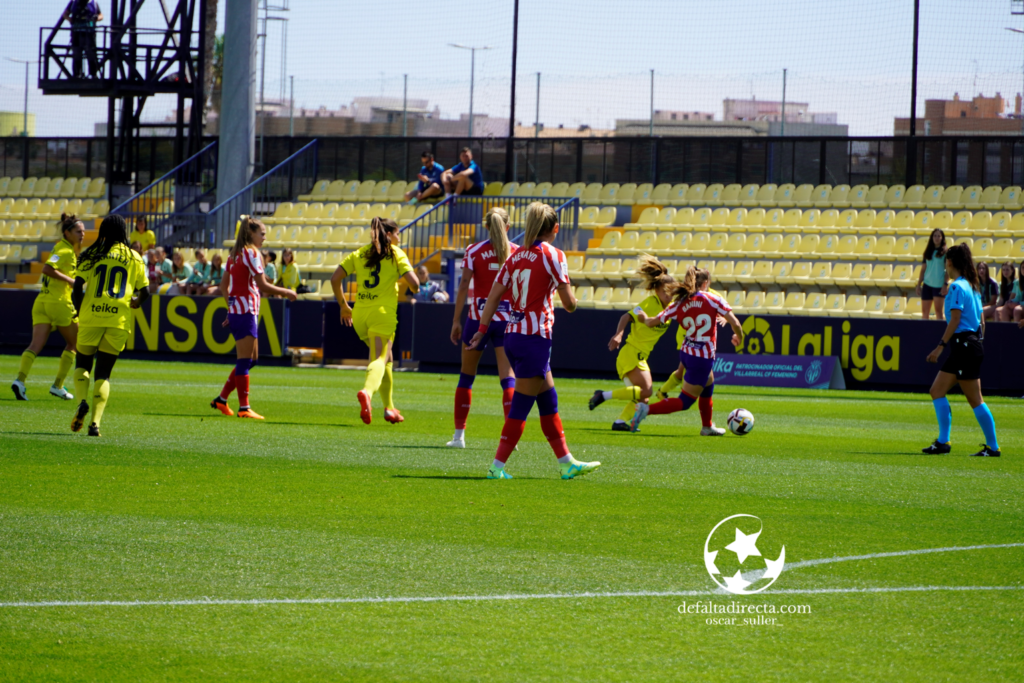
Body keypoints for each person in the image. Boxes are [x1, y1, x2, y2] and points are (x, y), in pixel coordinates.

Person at [468, 202, 601, 480]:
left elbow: (493, 297)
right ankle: (497, 467)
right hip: (534, 339)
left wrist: (482, 329)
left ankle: (567, 463)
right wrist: (572, 296)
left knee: (549, 400)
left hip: (513, 335)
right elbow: (569, 304)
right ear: (555, 228)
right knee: (520, 408)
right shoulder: (553, 255)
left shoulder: (515, 257)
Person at [630, 266, 744, 433]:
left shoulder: (679, 302)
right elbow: (735, 323)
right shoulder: (713, 299)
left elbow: (651, 322)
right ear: (705, 283)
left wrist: (643, 318)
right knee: (685, 402)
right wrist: (739, 337)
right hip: (702, 358)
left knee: (708, 383)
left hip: (687, 353)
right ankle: (645, 410)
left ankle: (707, 426)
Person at [330, 217, 420, 425]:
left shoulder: (359, 253)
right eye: (397, 233)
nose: (399, 237)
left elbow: (335, 278)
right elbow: (414, 285)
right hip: (382, 313)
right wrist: (412, 283)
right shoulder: (396, 254)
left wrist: (343, 305)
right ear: (388, 235)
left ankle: (389, 408)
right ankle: (367, 392)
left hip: (360, 314)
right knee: (380, 359)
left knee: (386, 360)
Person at [69, 214, 149, 437]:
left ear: (103, 232)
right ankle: (95, 424)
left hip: (91, 317)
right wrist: (136, 302)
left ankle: (82, 401)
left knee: (83, 364)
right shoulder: (134, 257)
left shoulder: (93, 254)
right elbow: (146, 292)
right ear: (124, 232)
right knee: (103, 373)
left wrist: (78, 309)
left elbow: (77, 287)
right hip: (118, 320)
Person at [210, 217, 297, 420]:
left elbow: (224, 287)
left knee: (252, 360)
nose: (264, 238)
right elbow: (263, 285)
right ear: (251, 234)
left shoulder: (234, 254)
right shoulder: (252, 253)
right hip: (246, 311)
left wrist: (230, 309)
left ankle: (222, 399)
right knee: (245, 360)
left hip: (239, 312)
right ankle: (244, 408)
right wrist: (286, 292)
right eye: (262, 233)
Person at [446, 207, 518, 448]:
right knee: (508, 379)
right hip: (507, 321)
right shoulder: (517, 253)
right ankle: (511, 438)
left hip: (478, 320)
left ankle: (459, 437)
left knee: (466, 377)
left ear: (486, 226)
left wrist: (457, 320)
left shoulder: (474, 250)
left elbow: (464, 285)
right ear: (508, 226)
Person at [922, 244, 1000, 457]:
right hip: (968, 345)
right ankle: (943, 442)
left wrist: (940, 347)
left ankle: (993, 447)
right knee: (936, 390)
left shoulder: (957, 287)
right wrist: (977, 342)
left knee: (975, 399)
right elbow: (982, 321)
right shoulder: (972, 286)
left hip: (963, 345)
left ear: (949, 262)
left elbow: (955, 319)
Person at [588, 255, 677, 431]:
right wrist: (619, 334)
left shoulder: (670, 307)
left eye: (672, 291)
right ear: (657, 290)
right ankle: (602, 395)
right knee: (647, 391)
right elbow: (626, 316)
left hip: (641, 356)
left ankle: (620, 422)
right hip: (631, 353)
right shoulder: (651, 303)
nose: (669, 294)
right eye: (666, 290)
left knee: (643, 397)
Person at [12, 214, 86, 401]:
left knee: (35, 345)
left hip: (42, 302)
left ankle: (20, 381)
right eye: (78, 231)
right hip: (58, 302)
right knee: (75, 344)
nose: (82, 234)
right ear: (67, 233)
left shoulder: (60, 248)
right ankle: (58, 385)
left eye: (84, 231)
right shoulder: (65, 251)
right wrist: (71, 281)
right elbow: (47, 268)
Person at [64, 0, 103, 79]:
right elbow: (65, 14)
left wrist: (95, 18)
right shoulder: (73, 3)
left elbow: (101, 15)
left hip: (89, 33)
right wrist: (71, 20)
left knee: (91, 53)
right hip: (77, 33)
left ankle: (93, 74)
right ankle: (77, 74)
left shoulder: (94, 3)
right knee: (77, 53)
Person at [916, 228, 948, 320]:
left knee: (939, 312)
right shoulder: (928, 252)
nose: (937, 238)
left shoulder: (945, 253)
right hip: (927, 285)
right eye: (935, 236)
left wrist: (945, 284)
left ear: (942, 238)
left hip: (938, 285)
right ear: (932, 237)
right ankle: (924, 333)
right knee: (925, 312)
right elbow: (923, 270)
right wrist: (919, 285)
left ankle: (940, 333)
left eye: (939, 236)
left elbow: (948, 271)